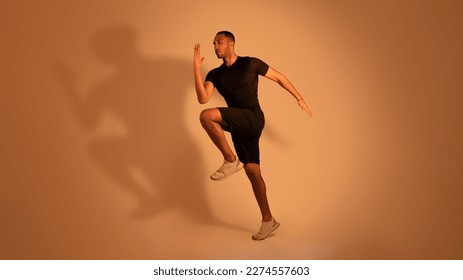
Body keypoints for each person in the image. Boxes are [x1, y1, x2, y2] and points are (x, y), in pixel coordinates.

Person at [193, 31, 312, 240]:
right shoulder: (214, 74)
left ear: (231, 43)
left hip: (253, 118)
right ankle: (268, 220)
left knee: (206, 116)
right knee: (252, 171)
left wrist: (299, 98)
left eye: (219, 42)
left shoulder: (250, 63)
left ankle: (230, 159)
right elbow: (203, 98)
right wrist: (195, 70)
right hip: (239, 124)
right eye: (213, 44)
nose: (215, 47)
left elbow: (279, 77)